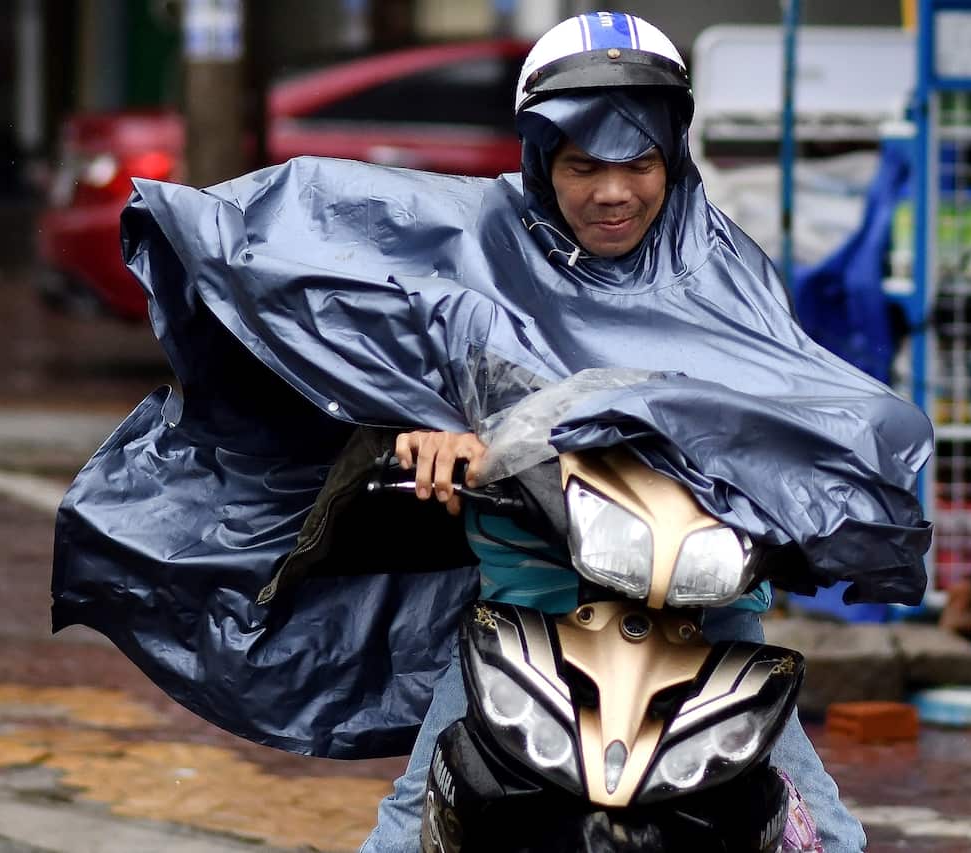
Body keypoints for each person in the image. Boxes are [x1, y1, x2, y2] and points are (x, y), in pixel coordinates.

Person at [359, 12, 868, 853]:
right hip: (530, 619)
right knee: (405, 834)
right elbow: (416, 369)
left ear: (671, 157)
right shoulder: (481, 271)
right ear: (539, 162)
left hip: (707, 628)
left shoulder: (732, 280)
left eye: (638, 162)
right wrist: (430, 427)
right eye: (582, 164)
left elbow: (790, 406)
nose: (612, 191)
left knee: (832, 840)